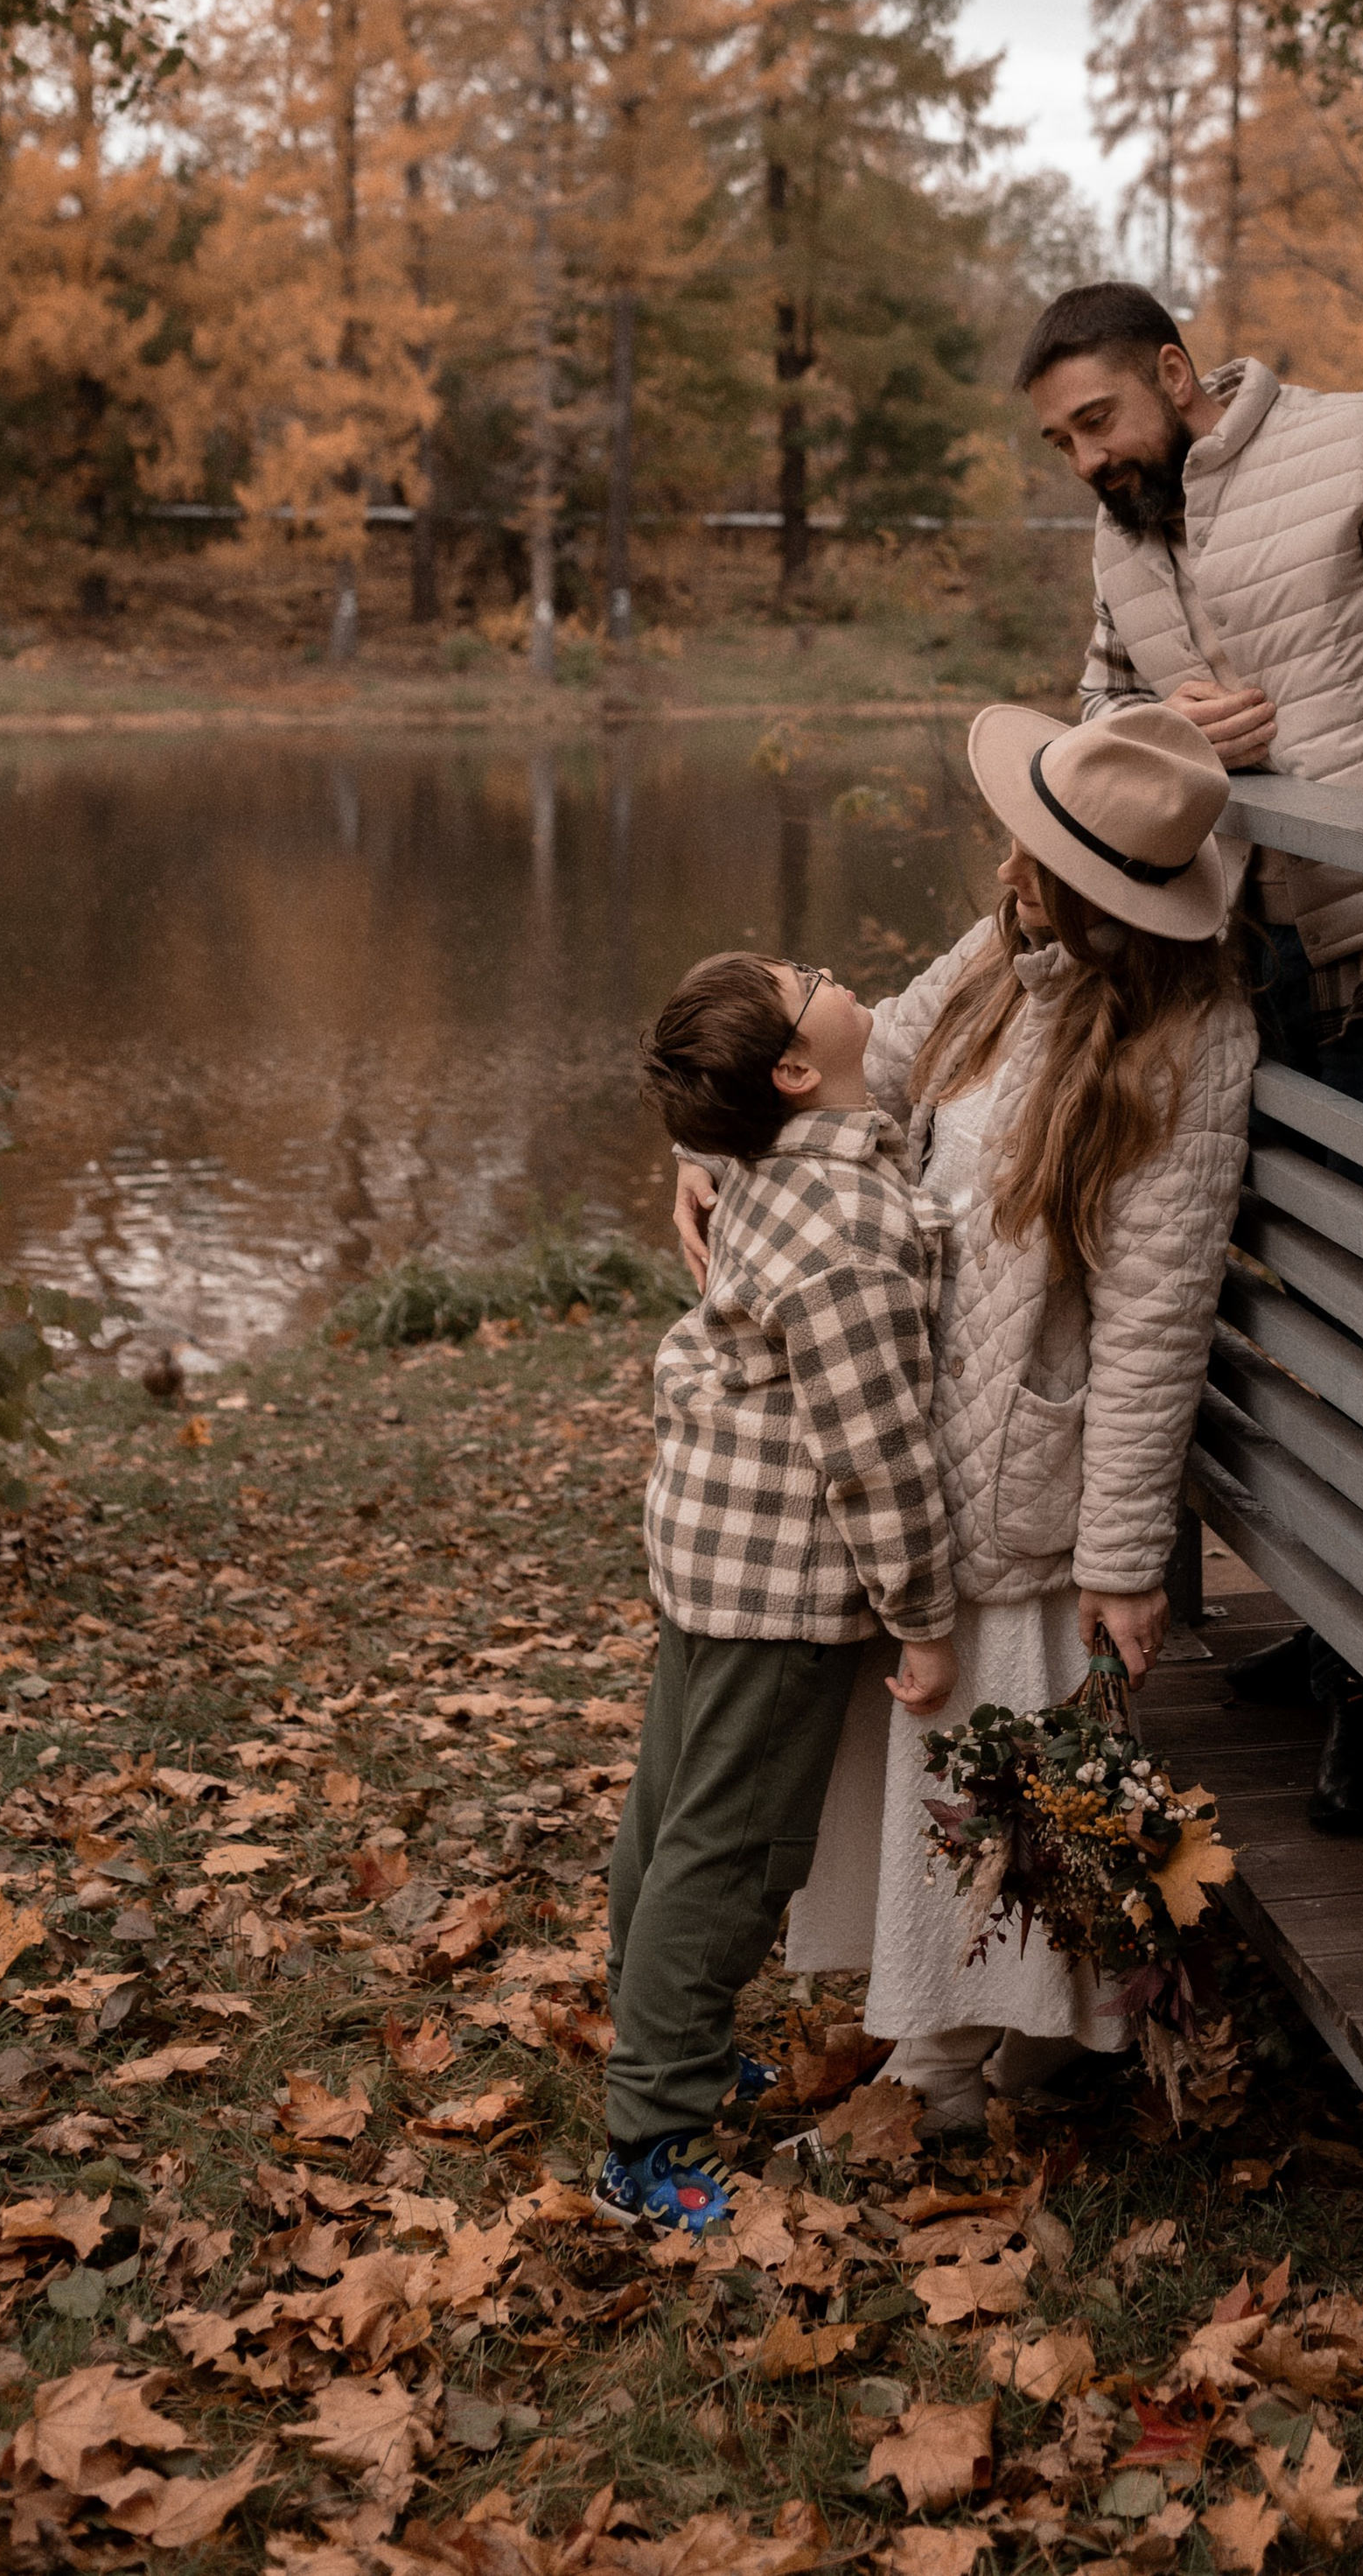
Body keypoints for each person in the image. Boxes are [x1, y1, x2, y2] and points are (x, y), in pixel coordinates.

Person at [678, 699, 1255, 2134]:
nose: (1003, 869)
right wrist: (711, 1143)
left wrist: (1124, 1552)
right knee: (935, 1765)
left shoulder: (1191, 1046)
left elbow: (1156, 1318)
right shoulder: (1014, 956)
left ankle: (952, 2068)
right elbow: (857, 1067)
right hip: (923, 1424)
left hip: (1027, 1464)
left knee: (995, 1766)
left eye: (1031, 854)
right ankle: (980, 2037)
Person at [1022, 280, 1363, 1838]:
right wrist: (1167, 722)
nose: (1088, 459)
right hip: (1261, 963)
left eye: (1099, 419)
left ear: (1175, 374)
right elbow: (1101, 710)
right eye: (1060, 441)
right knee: (1299, 1315)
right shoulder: (1130, 532)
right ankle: (1346, 1618)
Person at [598, 946, 958, 2236]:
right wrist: (922, 1615)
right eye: (806, 978)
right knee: (734, 1849)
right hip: (779, 1579)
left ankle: (654, 2036)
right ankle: (649, 2132)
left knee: (670, 1808)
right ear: (800, 1070)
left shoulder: (770, 1161)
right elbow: (878, 1451)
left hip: (710, 1546)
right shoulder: (847, 1234)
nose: (827, 966)